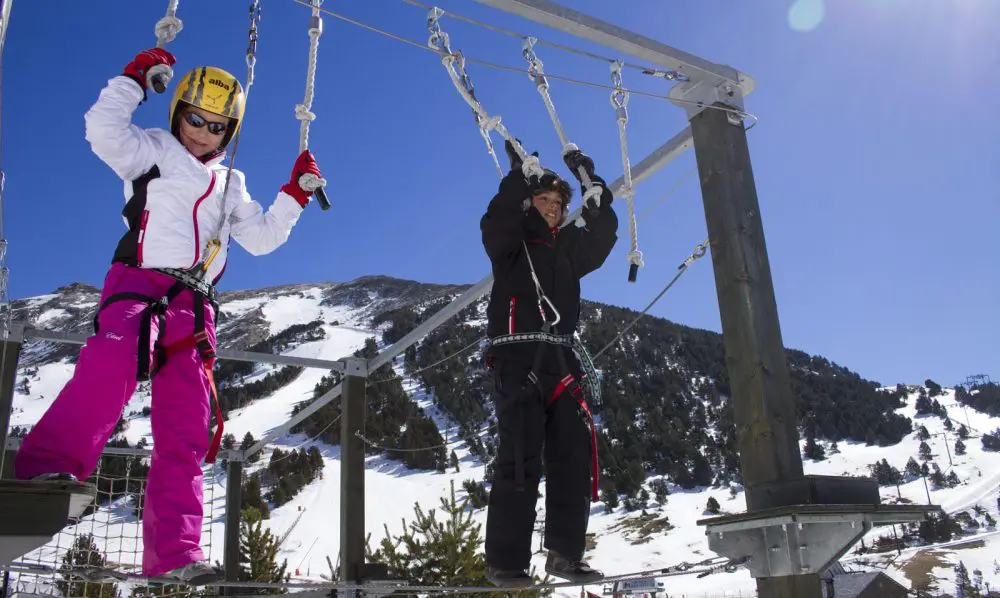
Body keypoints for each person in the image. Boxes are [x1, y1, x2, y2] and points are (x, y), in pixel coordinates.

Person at [13, 48, 325, 584]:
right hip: (139, 279)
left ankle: (175, 553)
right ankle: (49, 465)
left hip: (196, 304)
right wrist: (134, 81)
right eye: (194, 119)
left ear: (231, 132)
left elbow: (263, 239)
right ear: (177, 112)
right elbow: (102, 131)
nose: (203, 133)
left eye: (217, 126)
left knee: (186, 422)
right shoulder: (151, 150)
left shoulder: (234, 182)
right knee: (111, 362)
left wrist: (294, 195)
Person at [479, 139, 618, 588]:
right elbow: (498, 216)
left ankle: (564, 554)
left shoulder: (566, 250)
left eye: (559, 203)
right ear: (529, 202)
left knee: (573, 456)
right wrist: (521, 174)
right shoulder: (511, 242)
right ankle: (506, 562)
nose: (555, 209)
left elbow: (600, 238)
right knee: (520, 460)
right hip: (518, 358)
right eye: (546, 200)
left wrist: (596, 192)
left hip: (560, 360)